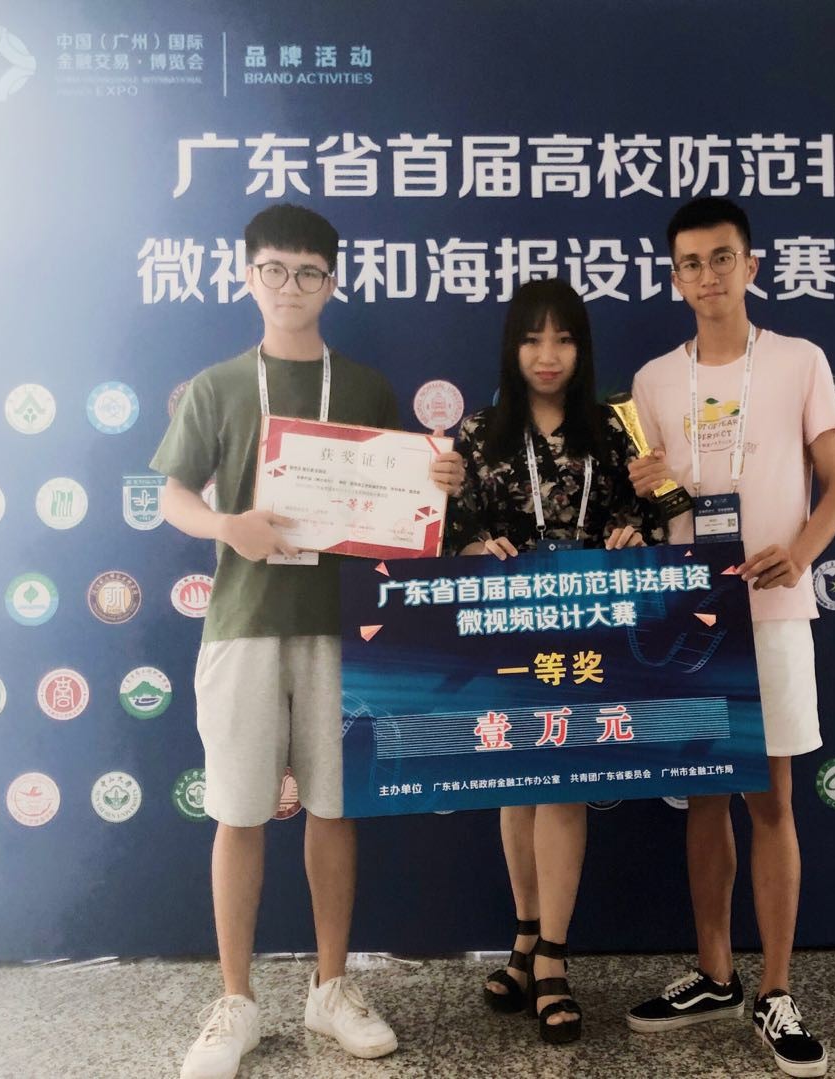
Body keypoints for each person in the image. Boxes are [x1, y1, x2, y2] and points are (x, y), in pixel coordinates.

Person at [152, 204, 466, 1079]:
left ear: (333, 283)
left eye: (308, 273)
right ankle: (237, 999)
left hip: (341, 625)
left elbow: (403, 506)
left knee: (334, 805)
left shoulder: (363, 386)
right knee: (237, 810)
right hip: (244, 620)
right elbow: (171, 494)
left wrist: (440, 478)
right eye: (275, 270)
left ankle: (330, 986)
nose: (290, 287)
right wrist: (227, 525)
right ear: (247, 275)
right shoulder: (217, 386)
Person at [622, 197, 835, 1077]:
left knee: (772, 800)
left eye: (722, 258)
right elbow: (654, 505)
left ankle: (776, 989)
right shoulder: (652, 381)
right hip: (688, 617)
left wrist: (801, 553)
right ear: (675, 278)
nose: (708, 275)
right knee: (702, 797)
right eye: (691, 262)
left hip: (773, 610)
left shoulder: (798, 360)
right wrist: (645, 491)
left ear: (751, 266)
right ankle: (716, 973)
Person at [446, 276, 662, 1044]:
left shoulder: (611, 428)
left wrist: (635, 533)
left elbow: (649, 517)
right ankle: (526, 936)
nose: (547, 354)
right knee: (519, 783)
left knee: (563, 785)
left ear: (582, 348)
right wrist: (472, 545)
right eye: (533, 338)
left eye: (563, 338)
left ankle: (553, 960)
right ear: (513, 346)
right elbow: (449, 533)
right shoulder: (480, 432)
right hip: (508, 629)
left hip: (589, 631)